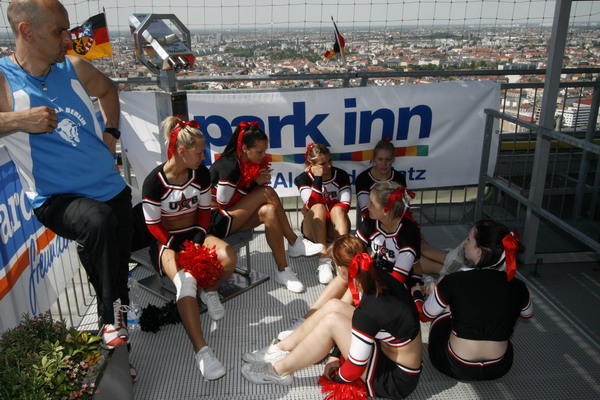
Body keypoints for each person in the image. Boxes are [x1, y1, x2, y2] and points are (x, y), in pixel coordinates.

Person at [0, 0, 132, 350]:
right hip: (57, 198)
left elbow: (108, 89)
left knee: (117, 275)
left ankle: (120, 346)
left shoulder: (74, 66)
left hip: (110, 187)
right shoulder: (3, 78)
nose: (68, 40)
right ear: (27, 31)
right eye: (59, 31)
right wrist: (17, 120)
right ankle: (110, 323)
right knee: (98, 225)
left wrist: (111, 132)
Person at [241, 234, 422, 400]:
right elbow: (357, 320)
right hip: (390, 351)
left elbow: (355, 367)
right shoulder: (373, 276)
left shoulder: (369, 310)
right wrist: (336, 354)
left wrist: (336, 376)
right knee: (333, 306)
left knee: (331, 322)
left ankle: (279, 371)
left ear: (341, 269)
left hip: (395, 379)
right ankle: (282, 348)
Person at [142, 117, 237, 380]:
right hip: (167, 242)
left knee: (228, 257)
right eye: (199, 152)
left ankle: (211, 291)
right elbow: (153, 225)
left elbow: (205, 211)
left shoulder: (201, 173)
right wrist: (178, 247)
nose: (203, 157)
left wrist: (197, 239)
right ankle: (202, 351)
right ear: (181, 151)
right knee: (186, 282)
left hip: (195, 234)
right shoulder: (154, 182)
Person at [277, 180, 423, 341]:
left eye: (372, 203)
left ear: (386, 210)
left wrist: (360, 279)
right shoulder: (372, 222)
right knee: (346, 276)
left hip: (398, 292)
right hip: (377, 277)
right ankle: (307, 320)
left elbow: (396, 281)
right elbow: (353, 247)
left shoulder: (408, 233)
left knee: (353, 280)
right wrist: (327, 251)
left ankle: (316, 327)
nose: (366, 206)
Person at [209, 122, 323, 293]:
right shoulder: (230, 165)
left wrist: (254, 185)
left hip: (231, 217)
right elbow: (223, 203)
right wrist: (255, 184)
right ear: (245, 148)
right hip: (216, 221)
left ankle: (283, 270)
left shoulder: (246, 161)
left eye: (265, 151)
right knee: (266, 191)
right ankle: (293, 241)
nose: (263, 155)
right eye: (259, 152)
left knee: (269, 211)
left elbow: (239, 199)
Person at [421, 220, 533, 381]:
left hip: (455, 365)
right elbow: (527, 315)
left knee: (443, 304)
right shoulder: (518, 285)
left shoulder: (454, 280)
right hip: (499, 367)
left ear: (479, 251)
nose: (465, 243)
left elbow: (425, 314)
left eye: (469, 239)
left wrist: (421, 294)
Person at [355, 138, 448, 275]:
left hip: (398, 222)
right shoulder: (363, 178)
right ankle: (452, 269)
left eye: (388, 159)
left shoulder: (398, 177)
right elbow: (367, 211)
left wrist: (407, 229)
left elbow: (403, 208)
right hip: (377, 226)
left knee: (422, 247)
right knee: (412, 253)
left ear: (393, 159)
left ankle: (456, 262)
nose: (384, 164)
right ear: (373, 158)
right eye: (380, 159)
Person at [294, 143, 351, 284]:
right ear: (312, 164)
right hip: (313, 229)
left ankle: (340, 258)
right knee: (318, 207)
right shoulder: (303, 178)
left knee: (338, 209)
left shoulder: (341, 175)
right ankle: (323, 260)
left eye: (330, 161)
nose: (329, 166)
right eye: (323, 164)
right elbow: (312, 205)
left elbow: (346, 205)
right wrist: (318, 179)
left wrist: (331, 212)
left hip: (334, 227)